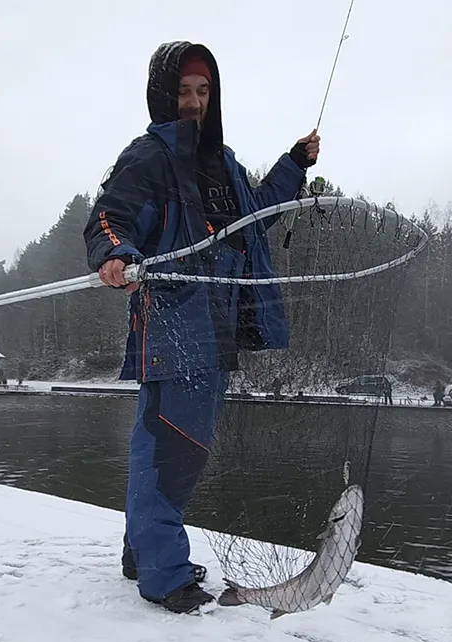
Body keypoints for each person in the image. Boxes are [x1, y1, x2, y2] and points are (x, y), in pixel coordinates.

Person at [82, 40, 320, 613]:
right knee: (175, 450)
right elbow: (107, 220)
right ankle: (164, 575)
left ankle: (144, 554)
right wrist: (116, 256)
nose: (194, 102)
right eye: (184, 92)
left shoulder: (224, 160)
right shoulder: (147, 156)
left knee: (163, 444)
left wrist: (294, 164)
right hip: (173, 320)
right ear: (164, 96)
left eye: (203, 91)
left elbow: (255, 215)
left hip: (216, 324)